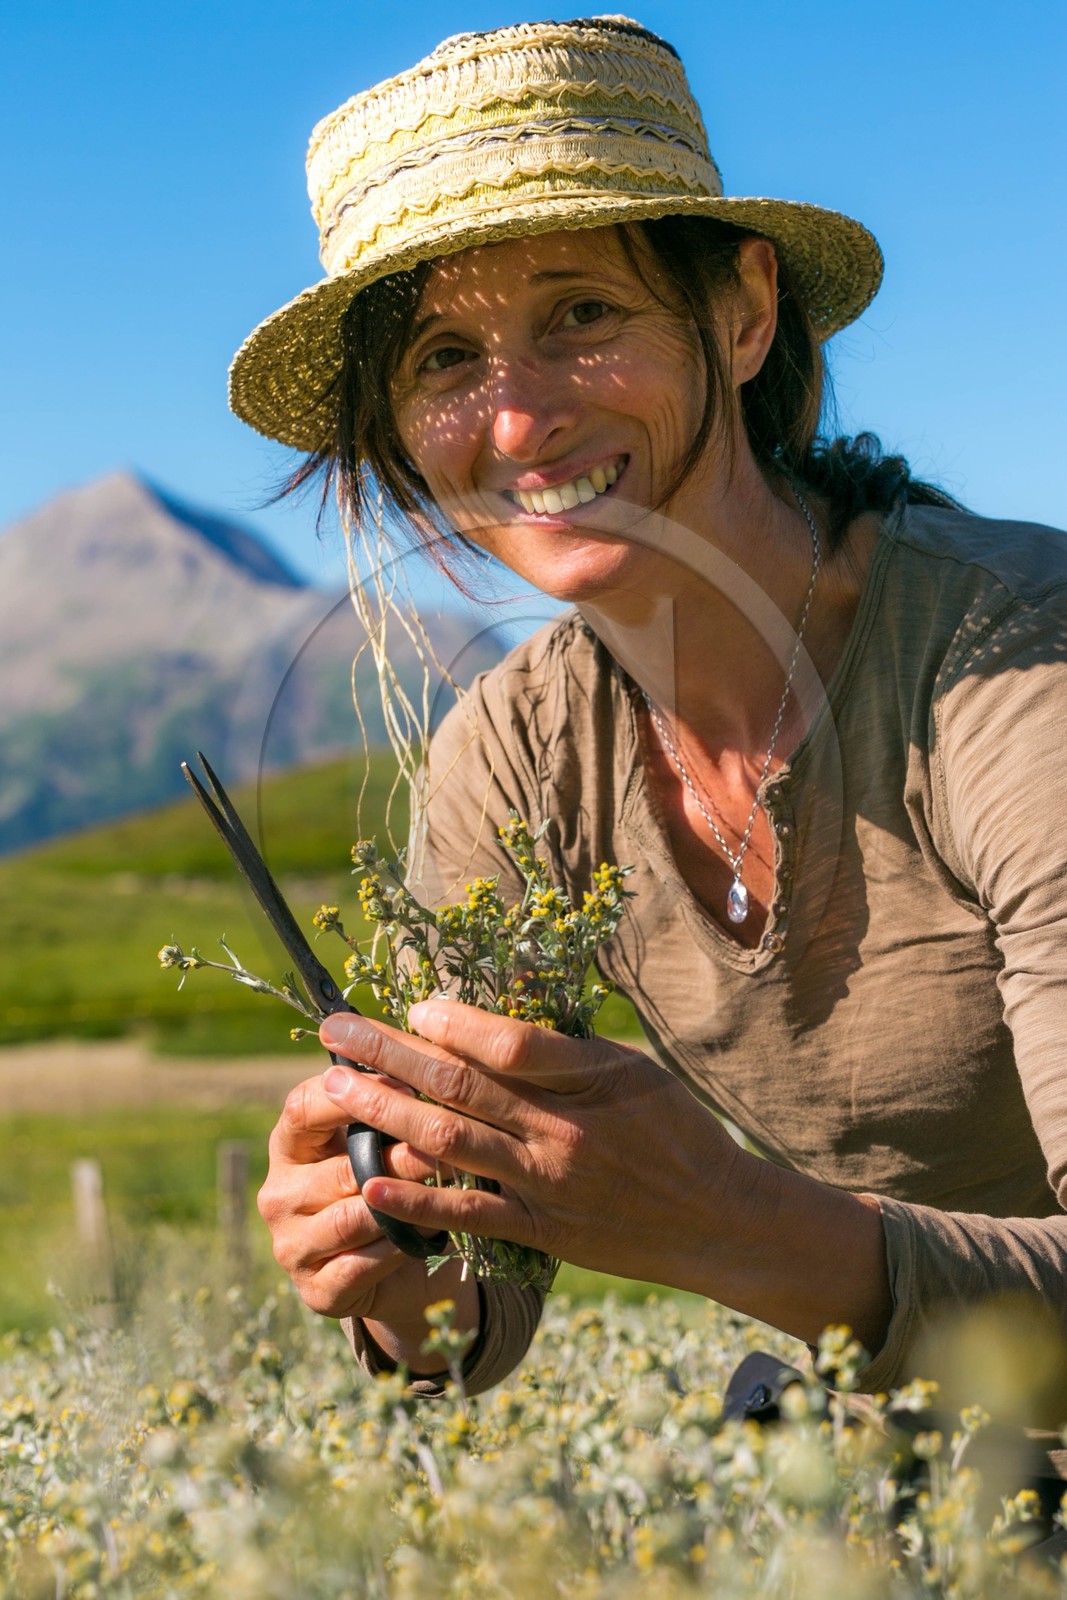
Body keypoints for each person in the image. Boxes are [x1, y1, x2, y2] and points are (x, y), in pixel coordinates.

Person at [235, 18, 1067, 1417]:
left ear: (743, 316)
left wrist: (719, 1220)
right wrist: (399, 1277)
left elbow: (733, 1230)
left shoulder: (1012, 662)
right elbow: (466, 1317)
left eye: (580, 314)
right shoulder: (511, 756)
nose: (517, 425)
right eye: (446, 358)